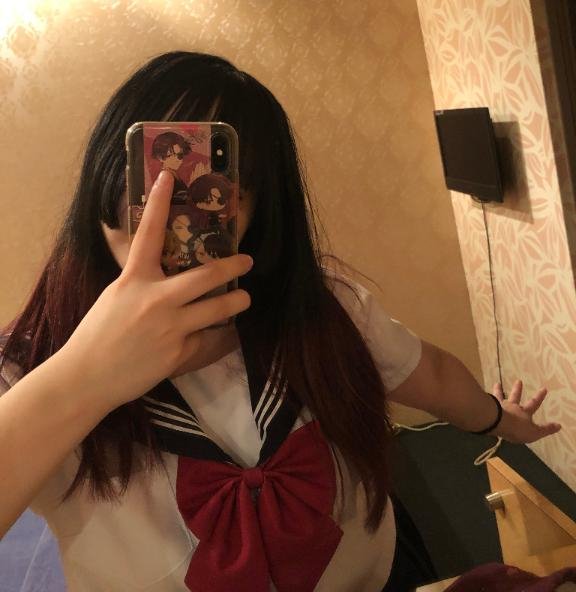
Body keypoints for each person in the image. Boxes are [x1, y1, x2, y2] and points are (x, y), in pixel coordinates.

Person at [0, 52, 562, 592]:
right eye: (151, 176)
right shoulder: (27, 364)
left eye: (212, 187)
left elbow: (430, 375)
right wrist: (86, 376)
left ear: (255, 208)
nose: (171, 210)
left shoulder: (321, 310)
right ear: (107, 175)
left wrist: (497, 419)